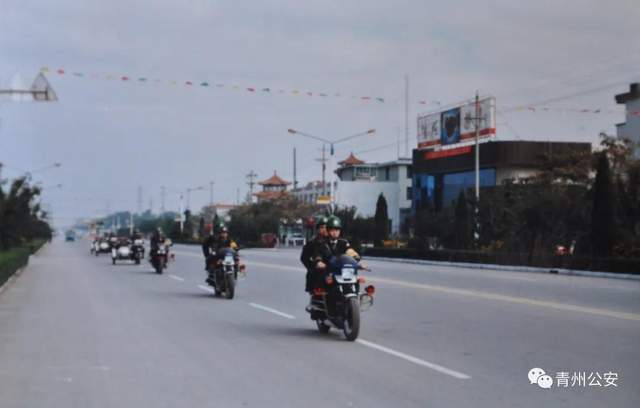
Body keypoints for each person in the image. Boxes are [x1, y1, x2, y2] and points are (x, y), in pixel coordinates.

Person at [300, 216, 329, 294]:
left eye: (327, 227)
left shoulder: (335, 240)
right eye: (322, 227)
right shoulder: (312, 242)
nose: (325, 229)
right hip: (320, 271)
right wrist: (313, 267)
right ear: (318, 229)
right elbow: (304, 258)